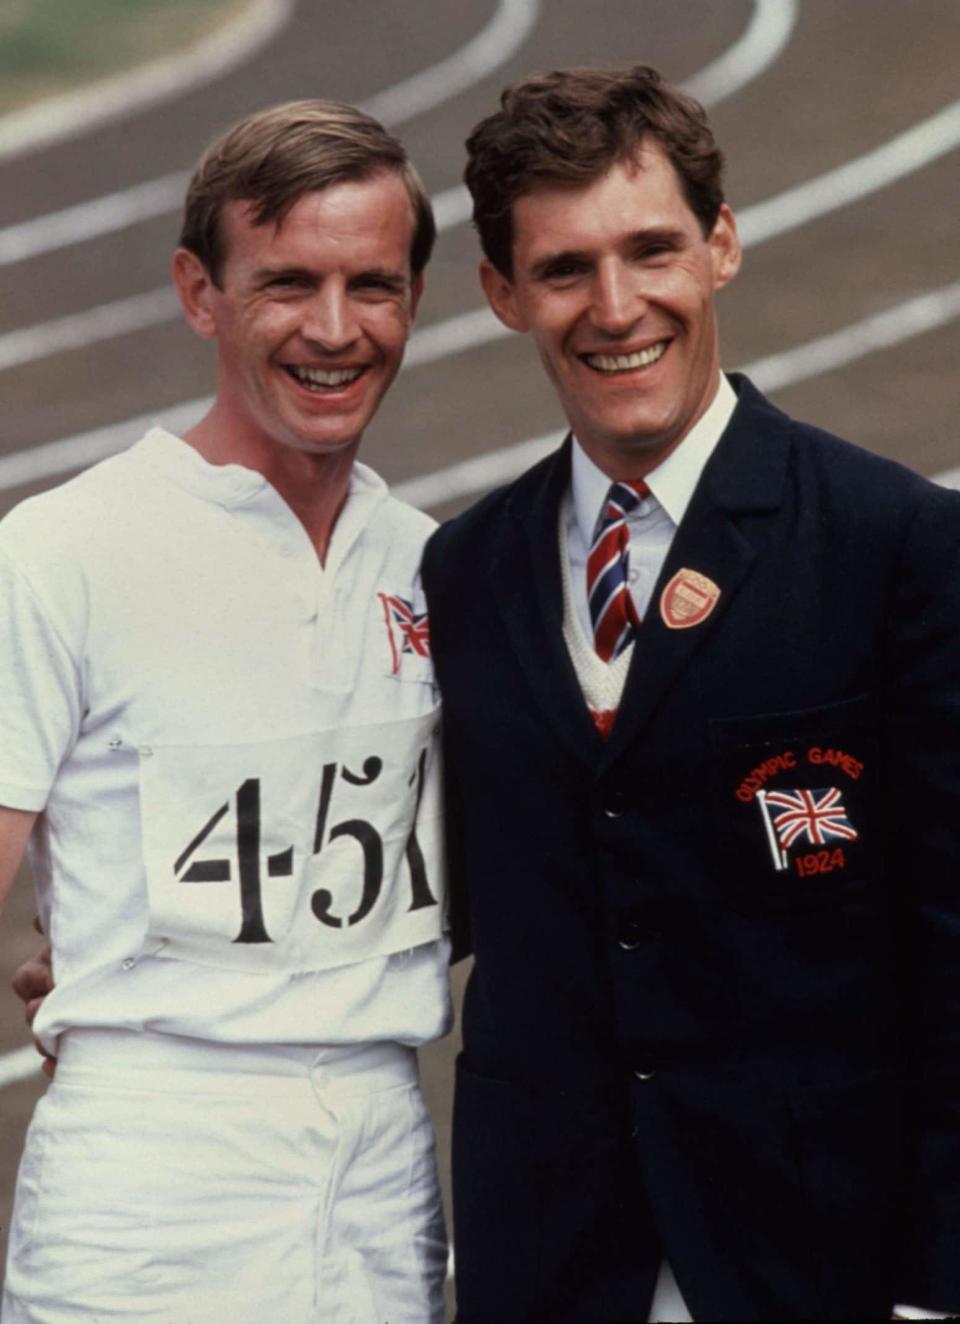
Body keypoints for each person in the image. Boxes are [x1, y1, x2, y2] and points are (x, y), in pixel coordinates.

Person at [421, 66, 960, 1321]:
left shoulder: (897, 545)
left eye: (652, 248)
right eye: (563, 269)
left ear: (720, 245)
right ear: (504, 293)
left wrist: (939, 1283)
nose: (616, 307)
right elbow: (427, 882)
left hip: (821, 1264)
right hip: (552, 1266)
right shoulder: (465, 571)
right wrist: (122, 938)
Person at [0, 100, 450, 1323]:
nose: (335, 329)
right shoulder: (59, 552)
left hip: (380, 1160)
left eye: (374, 285)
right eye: (288, 283)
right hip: (152, 1175)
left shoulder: (429, 563)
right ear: (201, 293)